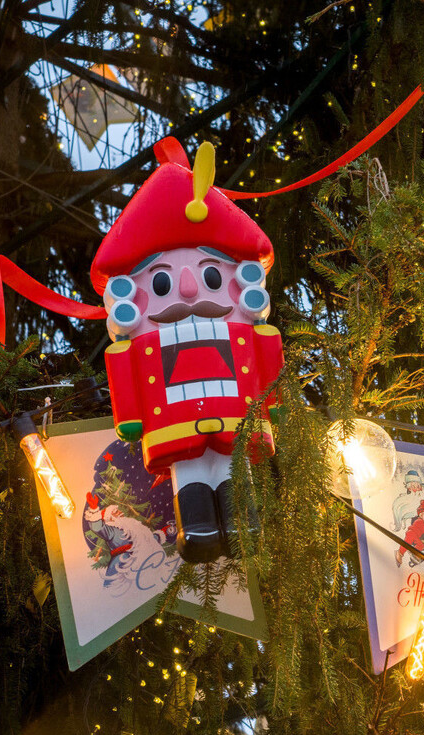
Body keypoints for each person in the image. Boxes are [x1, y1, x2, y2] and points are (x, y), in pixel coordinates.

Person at [95, 138, 283, 563]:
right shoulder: (138, 344)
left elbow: (268, 365)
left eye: (211, 277)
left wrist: (274, 399)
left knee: (232, 465)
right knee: (191, 470)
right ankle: (197, 525)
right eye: (161, 282)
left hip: (235, 413)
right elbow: (123, 373)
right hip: (173, 421)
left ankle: (242, 522)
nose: (187, 290)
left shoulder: (247, 331)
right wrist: (131, 419)